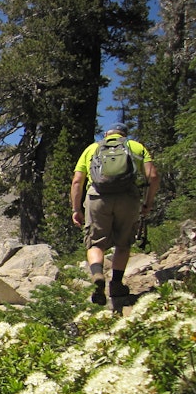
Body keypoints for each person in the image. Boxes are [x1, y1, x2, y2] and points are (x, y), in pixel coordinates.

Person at [70, 122, 159, 305]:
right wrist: (147, 203)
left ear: (106, 135)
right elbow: (153, 176)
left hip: (97, 198)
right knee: (123, 243)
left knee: (95, 243)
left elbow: (77, 181)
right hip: (128, 197)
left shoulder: (92, 149)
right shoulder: (135, 146)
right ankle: (116, 285)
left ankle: (97, 276)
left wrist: (76, 209)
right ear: (124, 135)